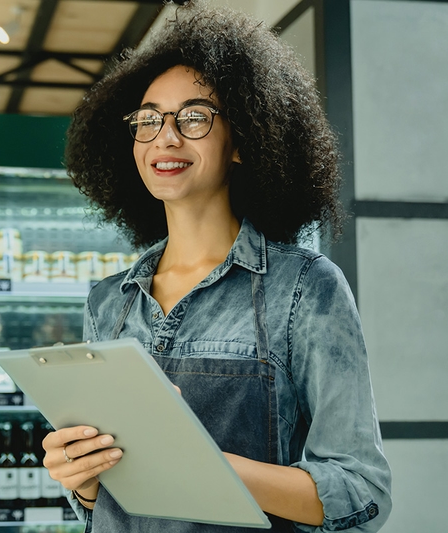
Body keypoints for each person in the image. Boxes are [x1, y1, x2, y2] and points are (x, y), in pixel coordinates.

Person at [41, 2, 392, 532]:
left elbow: (361, 493)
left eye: (194, 117)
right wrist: (84, 480)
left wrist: (206, 466)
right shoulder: (108, 302)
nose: (166, 136)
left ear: (244, 141)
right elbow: (106, 504)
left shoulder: (304, 289)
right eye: (149, 119)